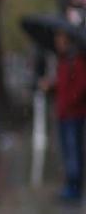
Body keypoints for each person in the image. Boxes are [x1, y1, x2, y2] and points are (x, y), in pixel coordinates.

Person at [40, 25, 86, 202]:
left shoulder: (77, 60)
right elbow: (62, 83)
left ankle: (75, 187)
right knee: (67, 150)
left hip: (74, 113)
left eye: (60, 38)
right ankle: (70, 184)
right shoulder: (64, 60)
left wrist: (69, 101)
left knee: (74, 150)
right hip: (63, 113)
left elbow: (80, 87)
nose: (57, 42)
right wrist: (51, 86)